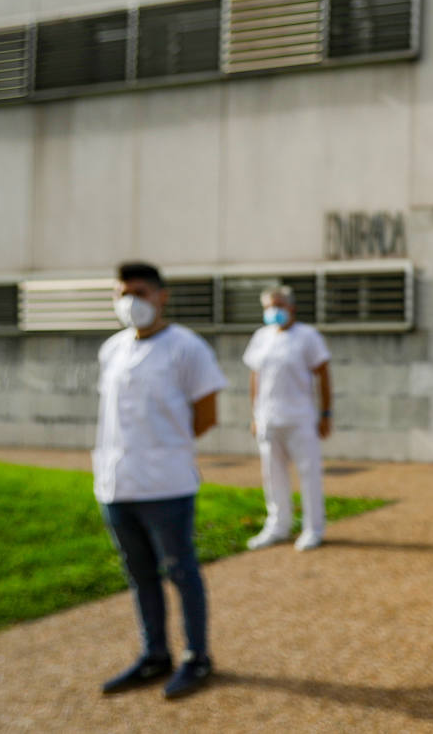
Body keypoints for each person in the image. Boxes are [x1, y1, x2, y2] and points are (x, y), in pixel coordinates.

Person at [95, 261, 227, 699]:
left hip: (167, 485)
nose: (130, 302)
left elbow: (205, 415)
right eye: (122, 294)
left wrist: (164, 447)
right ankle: (155, 654)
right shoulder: (112, 349)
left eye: (139, 292)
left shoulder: (186, 347)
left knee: (181, 572)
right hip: (118, 485)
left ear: (160, 295)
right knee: (140, 575)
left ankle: (197, 656)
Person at [242, 284, 333, 551]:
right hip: (269, 419)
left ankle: (313, 528)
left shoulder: (308, 337)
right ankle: (278, 526)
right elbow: (255, 377)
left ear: (291, 307)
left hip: (300, 418)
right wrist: (255, 414)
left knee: (309, 474)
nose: (273, 311)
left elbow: (323, 375)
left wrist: (325, 414)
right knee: (273, 475)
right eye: (269, 306)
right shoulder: (261, 337)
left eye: (278, 305)